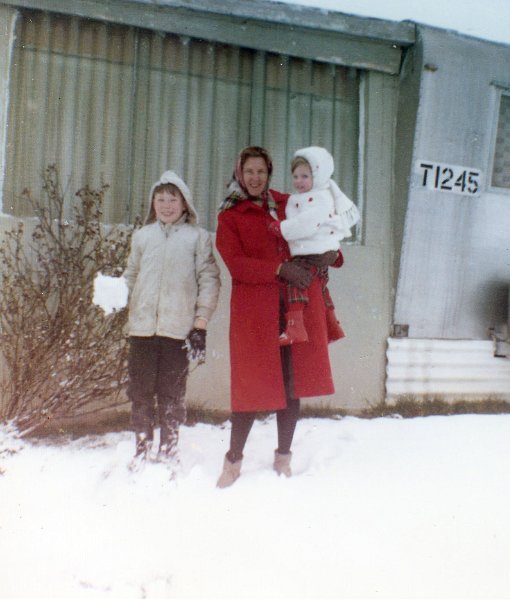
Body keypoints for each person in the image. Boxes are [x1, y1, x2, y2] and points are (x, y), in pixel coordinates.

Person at [215, 146, 341, 488]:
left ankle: (283, 457)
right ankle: (233, 460)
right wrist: (279, 268)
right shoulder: (230, 215)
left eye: (261, 172)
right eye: (249, 172)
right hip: (255, 312)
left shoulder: (289, 203)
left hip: (292, 306)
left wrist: (332, 251)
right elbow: (237, 265)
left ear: (269, 174)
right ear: (240, 174)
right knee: (251, 388)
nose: (255, 178)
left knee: (291, 382)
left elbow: (323, 226)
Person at [124, 170, 220, 471]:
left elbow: (210, 280)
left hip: (177, 332)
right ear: (153, 203)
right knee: (140, 391)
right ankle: (142, 446)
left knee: (171, 392)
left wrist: (200, 322)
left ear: (184, 203)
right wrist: (113, 295)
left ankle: (168, 447)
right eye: (160, 199)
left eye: (172, 199)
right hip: (142, 330)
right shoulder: (142, 237)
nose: (166, 205)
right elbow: (131, 275)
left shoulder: (197, 238)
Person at [268, 146, 360, 345]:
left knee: (296, 283)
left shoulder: (320, 197)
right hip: (319, 250)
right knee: (322, 286)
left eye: (305, 176)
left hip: (315, 250)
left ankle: (295, 327)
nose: (299, 181)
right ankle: (332, 324)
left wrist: (281, 228)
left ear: (317, 177)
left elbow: (306, 223)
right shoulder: (303, 197)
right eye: (295, 176)